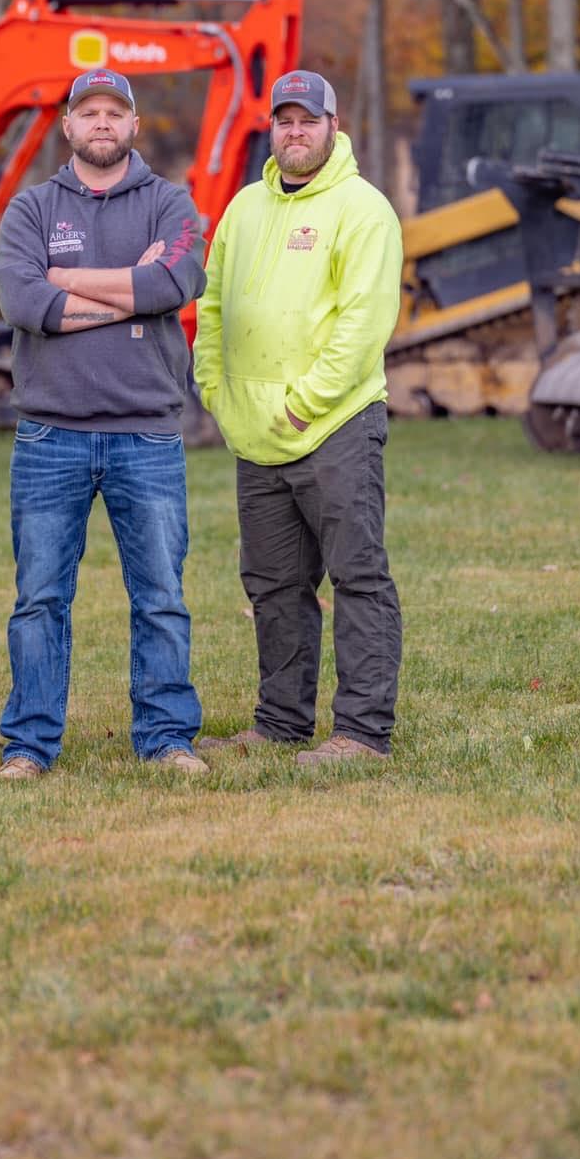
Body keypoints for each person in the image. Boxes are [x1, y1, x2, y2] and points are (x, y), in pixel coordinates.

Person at [0, 67, 211, 778]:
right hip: (50, 435)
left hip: (146, 434)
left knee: (162, 598)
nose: (104, 123)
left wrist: (65, 280)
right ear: (69, 127)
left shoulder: (172, 207)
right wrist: (128, 291)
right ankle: (29, 745)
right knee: (40, 600)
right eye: (91, 113)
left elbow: (174, 284)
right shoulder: (30, 209)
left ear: (134, 126)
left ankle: (168, 737)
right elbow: (22, 301)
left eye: (116, 111)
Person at [192, 70, 405, 766]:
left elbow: (361, 324)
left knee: (358, 576)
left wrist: (303, 401)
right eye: (283, 120)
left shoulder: (363, 210)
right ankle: (281, 722)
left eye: (306, 120)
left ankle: (362, 733)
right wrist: (214, 386)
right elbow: (215, 302)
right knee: (275, 586)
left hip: (335, 427)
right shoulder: (244, 209)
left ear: (331, 126)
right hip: (255, 434)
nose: (294, 131)